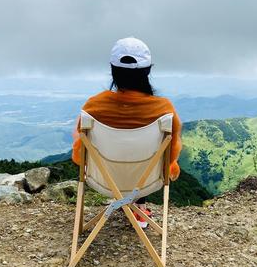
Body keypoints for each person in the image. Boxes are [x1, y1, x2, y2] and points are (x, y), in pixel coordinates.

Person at [71, 37, 182, 228]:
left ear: (113, 71)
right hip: (148, 181)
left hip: (103, 180)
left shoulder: (93, 106)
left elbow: (81, 154)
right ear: (147, 71)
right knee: (146, 158)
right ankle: (139, 210)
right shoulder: (164, 109)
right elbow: (169, 155)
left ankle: (129, 207)